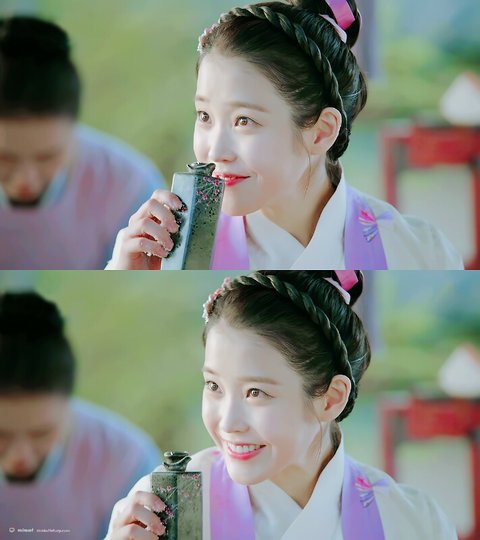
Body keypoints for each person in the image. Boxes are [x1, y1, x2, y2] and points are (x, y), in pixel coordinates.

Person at [107, 0, 462, 270]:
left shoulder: (417, 253)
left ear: (321, 132)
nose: (215, 151)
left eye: (244, 120)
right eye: (205, 116)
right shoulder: (171, 249)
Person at [106, 270, 457, 539]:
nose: (228, 423)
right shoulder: (164, 506)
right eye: (214, 386)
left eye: (256, 392)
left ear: (331, 398)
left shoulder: (410, 522)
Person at [0, 16, 165, 270]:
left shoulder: (130, 187)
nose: (25, 179)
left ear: (74, 127)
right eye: (5, 158)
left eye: (47, 157)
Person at [0, 291, 161, 540]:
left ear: (69, 402)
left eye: (41, 433)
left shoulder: (126, 459)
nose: (19, 456)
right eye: (2, 435)